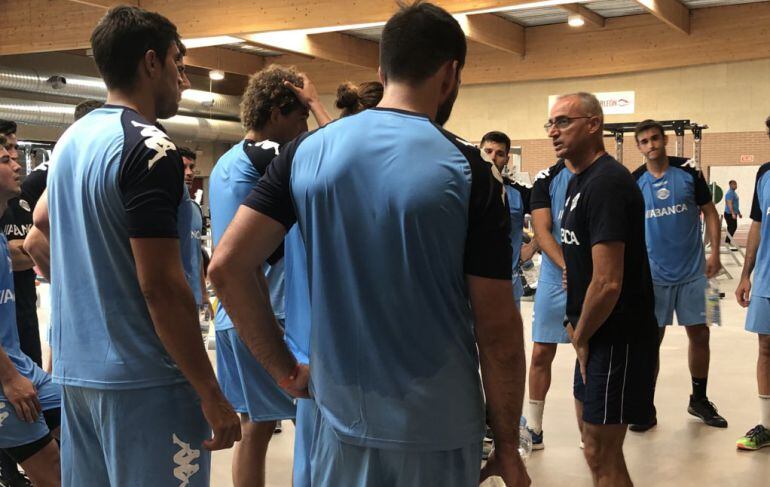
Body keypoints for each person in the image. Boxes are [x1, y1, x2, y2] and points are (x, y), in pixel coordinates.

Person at [208, 3, 529, 486]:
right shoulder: (471, 171)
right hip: (436, 426)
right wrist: (506, 444)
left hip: (337, 422)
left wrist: (284, 370)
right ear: (451, 74)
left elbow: (226, 268)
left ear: (382, 69)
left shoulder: (304, 153)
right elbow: (498, 331)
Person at [26, 6, 240, 485]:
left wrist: (88, 288)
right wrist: (210, 390)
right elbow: (161, 287)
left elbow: (40, 222)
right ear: (150, 63)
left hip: (79, 373)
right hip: (147, 378)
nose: (183, 79)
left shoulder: (70, 141)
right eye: (178, 63)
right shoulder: (150, 146)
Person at [208, 64, 329, 487]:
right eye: (298, 117)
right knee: (316, 422)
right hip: (266, 316)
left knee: (254, 427)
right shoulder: (273, 158)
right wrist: (316, 104)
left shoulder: (226, 160)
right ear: (278, 111)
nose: (303, 127)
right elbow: (340, 158)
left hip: (231, 317)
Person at [552, 92, 658, 487]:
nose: (553, 131)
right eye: (551, 123)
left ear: (594, 123)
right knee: (594, 445)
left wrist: (581, 337)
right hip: (591, 333)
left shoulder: (608, 183)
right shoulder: (578, 182)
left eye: (564, 121)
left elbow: (609, 281)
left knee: (600, 449)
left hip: (616, 337)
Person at [290, 78, 383, 487]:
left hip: (310, 346)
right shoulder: (366, 179)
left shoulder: (304, 170)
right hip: (350, 354)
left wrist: (314, 104)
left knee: (314, 457)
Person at [630, 119, 726, 432]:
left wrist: (714, 254)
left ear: (665, 139)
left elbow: (711, 213)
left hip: (694, 274)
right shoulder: (635, 182)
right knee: (649, 341)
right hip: (653, 278)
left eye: (655, 138)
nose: (651, 145)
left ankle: (699, 399)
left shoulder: (688, 171)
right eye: (644, 141)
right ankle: (645, 406)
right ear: (639, 147)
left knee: (701, 334)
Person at [0, 136, 61, 487]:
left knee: (81, 428)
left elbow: (28, 250)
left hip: (21, 362)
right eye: (5, 159)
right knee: (51, 471)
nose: (17, 163)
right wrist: (9, 378)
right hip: (5, 374)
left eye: (14, 156)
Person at [527, 156, 576, 450]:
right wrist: (568, 267)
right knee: (541, 354)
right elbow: (542, 232)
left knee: (590, 354)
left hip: (593, 276)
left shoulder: (605, 174)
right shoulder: (547, 179)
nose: (558, 133)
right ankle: (534, 427)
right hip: (554, 277)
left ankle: (591, 429)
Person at [734, 115, 770, 451]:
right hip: (766, 281)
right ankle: (768, 424)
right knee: (765, 349)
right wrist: (746, 274)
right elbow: (757, 225)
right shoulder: (764, 174)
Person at [480, 131, 531, 308]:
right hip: (470, 282)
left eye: (500, 153)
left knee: (506, 335)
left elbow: (549, 217)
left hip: (508, 283)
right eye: (488, 151)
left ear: (506, 159)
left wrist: (532, 248)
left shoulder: (520, 193)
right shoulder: (463, 189)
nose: (493, 157)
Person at [725, 180, 741, 249]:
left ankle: (727, 242)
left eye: (736, 184)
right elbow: (729, 204)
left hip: (733, 213)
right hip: (729, 214)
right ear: (730, 185)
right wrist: (732, 213)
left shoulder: (734, 193)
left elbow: (735, 205)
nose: (736, 185)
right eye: (734, 184)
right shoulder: (729, 193)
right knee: (733, 227)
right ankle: (727, 242)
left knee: (731, 227)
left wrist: (739, 213)